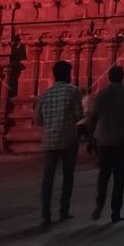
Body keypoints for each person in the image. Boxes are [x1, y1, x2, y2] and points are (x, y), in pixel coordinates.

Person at [35, 60, 84, 226]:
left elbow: (38, 120)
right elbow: (79, 115)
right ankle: (64, 210)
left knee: (48, 178)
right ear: (67, 75)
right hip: (68, 139)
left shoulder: (44, 94)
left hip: (49, 140)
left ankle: (45, 214)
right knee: (67, 176)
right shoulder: (74, 91)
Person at [87, 66, 124, 223]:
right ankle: (116, 212)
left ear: (109, 77)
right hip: (121, 138)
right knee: (119, 178)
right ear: (122, 77)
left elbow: (94, 117)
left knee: (104, 175)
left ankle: (100, 203)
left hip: (105, 139)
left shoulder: (102, 94)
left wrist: (90, 138)